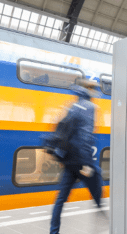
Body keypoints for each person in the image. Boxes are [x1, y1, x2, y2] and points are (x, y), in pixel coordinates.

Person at [48, 79, 104, 234]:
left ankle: (54, 232)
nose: (96, 92)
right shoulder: (90, 107)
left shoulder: (72, 106)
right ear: (89, 90)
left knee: (60, 199)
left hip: (68, 160)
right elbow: (85, 136)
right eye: (94, 89)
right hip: (81, 161)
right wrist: (86, 163)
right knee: (97, 185)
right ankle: (105, 221)